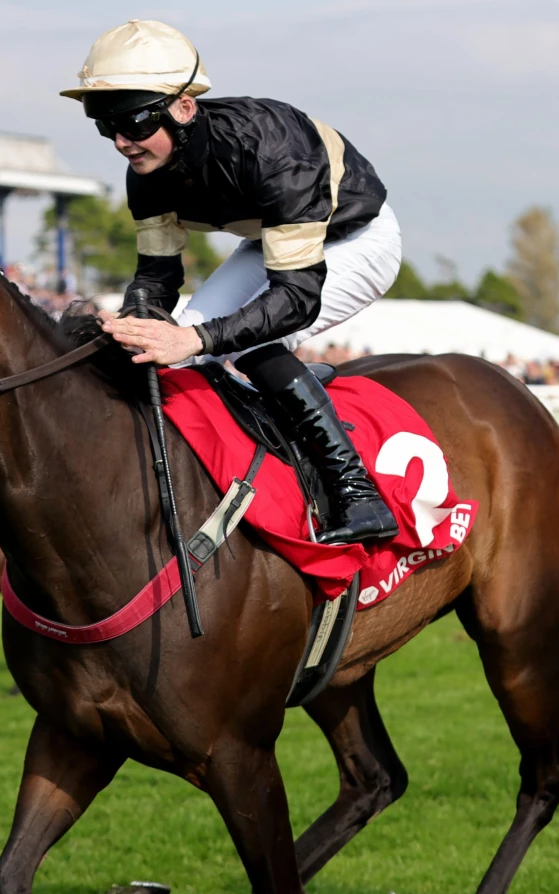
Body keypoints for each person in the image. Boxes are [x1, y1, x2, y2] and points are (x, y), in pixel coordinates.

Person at [63, 19, 400, 545]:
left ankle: (359, 493)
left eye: (130, 122)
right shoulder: (147, 171)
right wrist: (132, 326)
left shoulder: (272, 150)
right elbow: (157, 277)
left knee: (247, 341)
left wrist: (194, 338)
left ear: (183, 107)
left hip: (357, 239)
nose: (121, 143)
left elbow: (295, 298)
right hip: (270, 243)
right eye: (105, 126)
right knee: (178, 347)